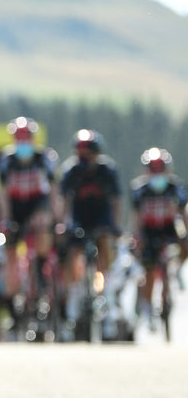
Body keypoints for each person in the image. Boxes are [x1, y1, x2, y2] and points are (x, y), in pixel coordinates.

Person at [0, 117, 59, 327]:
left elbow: (53, 191)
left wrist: (55, 218)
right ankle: (12, 299)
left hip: (36, 203)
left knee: (43, 225)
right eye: (19, 138)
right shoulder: (8, 158)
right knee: (11, 256)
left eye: (27, 138)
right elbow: (3, 193)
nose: (23, 142)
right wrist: (5, 220)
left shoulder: (44, 158)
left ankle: (41, 267)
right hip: (16, 206)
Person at [58, 129, 121, 326]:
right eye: (81, 155)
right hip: (79, 217)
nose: (85, 159)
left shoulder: (107, 170)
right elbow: (64, 200)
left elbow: (116, 200)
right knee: (74, 249)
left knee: (104, 242)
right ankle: (75, 292)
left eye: (89, 155)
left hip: (102, 217)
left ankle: (106, 288)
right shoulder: (71, 171)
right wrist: (64, 223)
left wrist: (115, 225)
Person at [130, 147, 187, 326]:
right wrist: (138, 237)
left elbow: (183, 213)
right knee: (149, 270)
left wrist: (185, 233)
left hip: (169, 229)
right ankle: (147, 309)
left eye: (160, 170)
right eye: (153, 171)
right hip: (149, 231)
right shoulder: (140, 190)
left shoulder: (175, 188)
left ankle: (176, 269)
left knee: (185, 243)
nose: (157, 175)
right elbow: (136, 218)